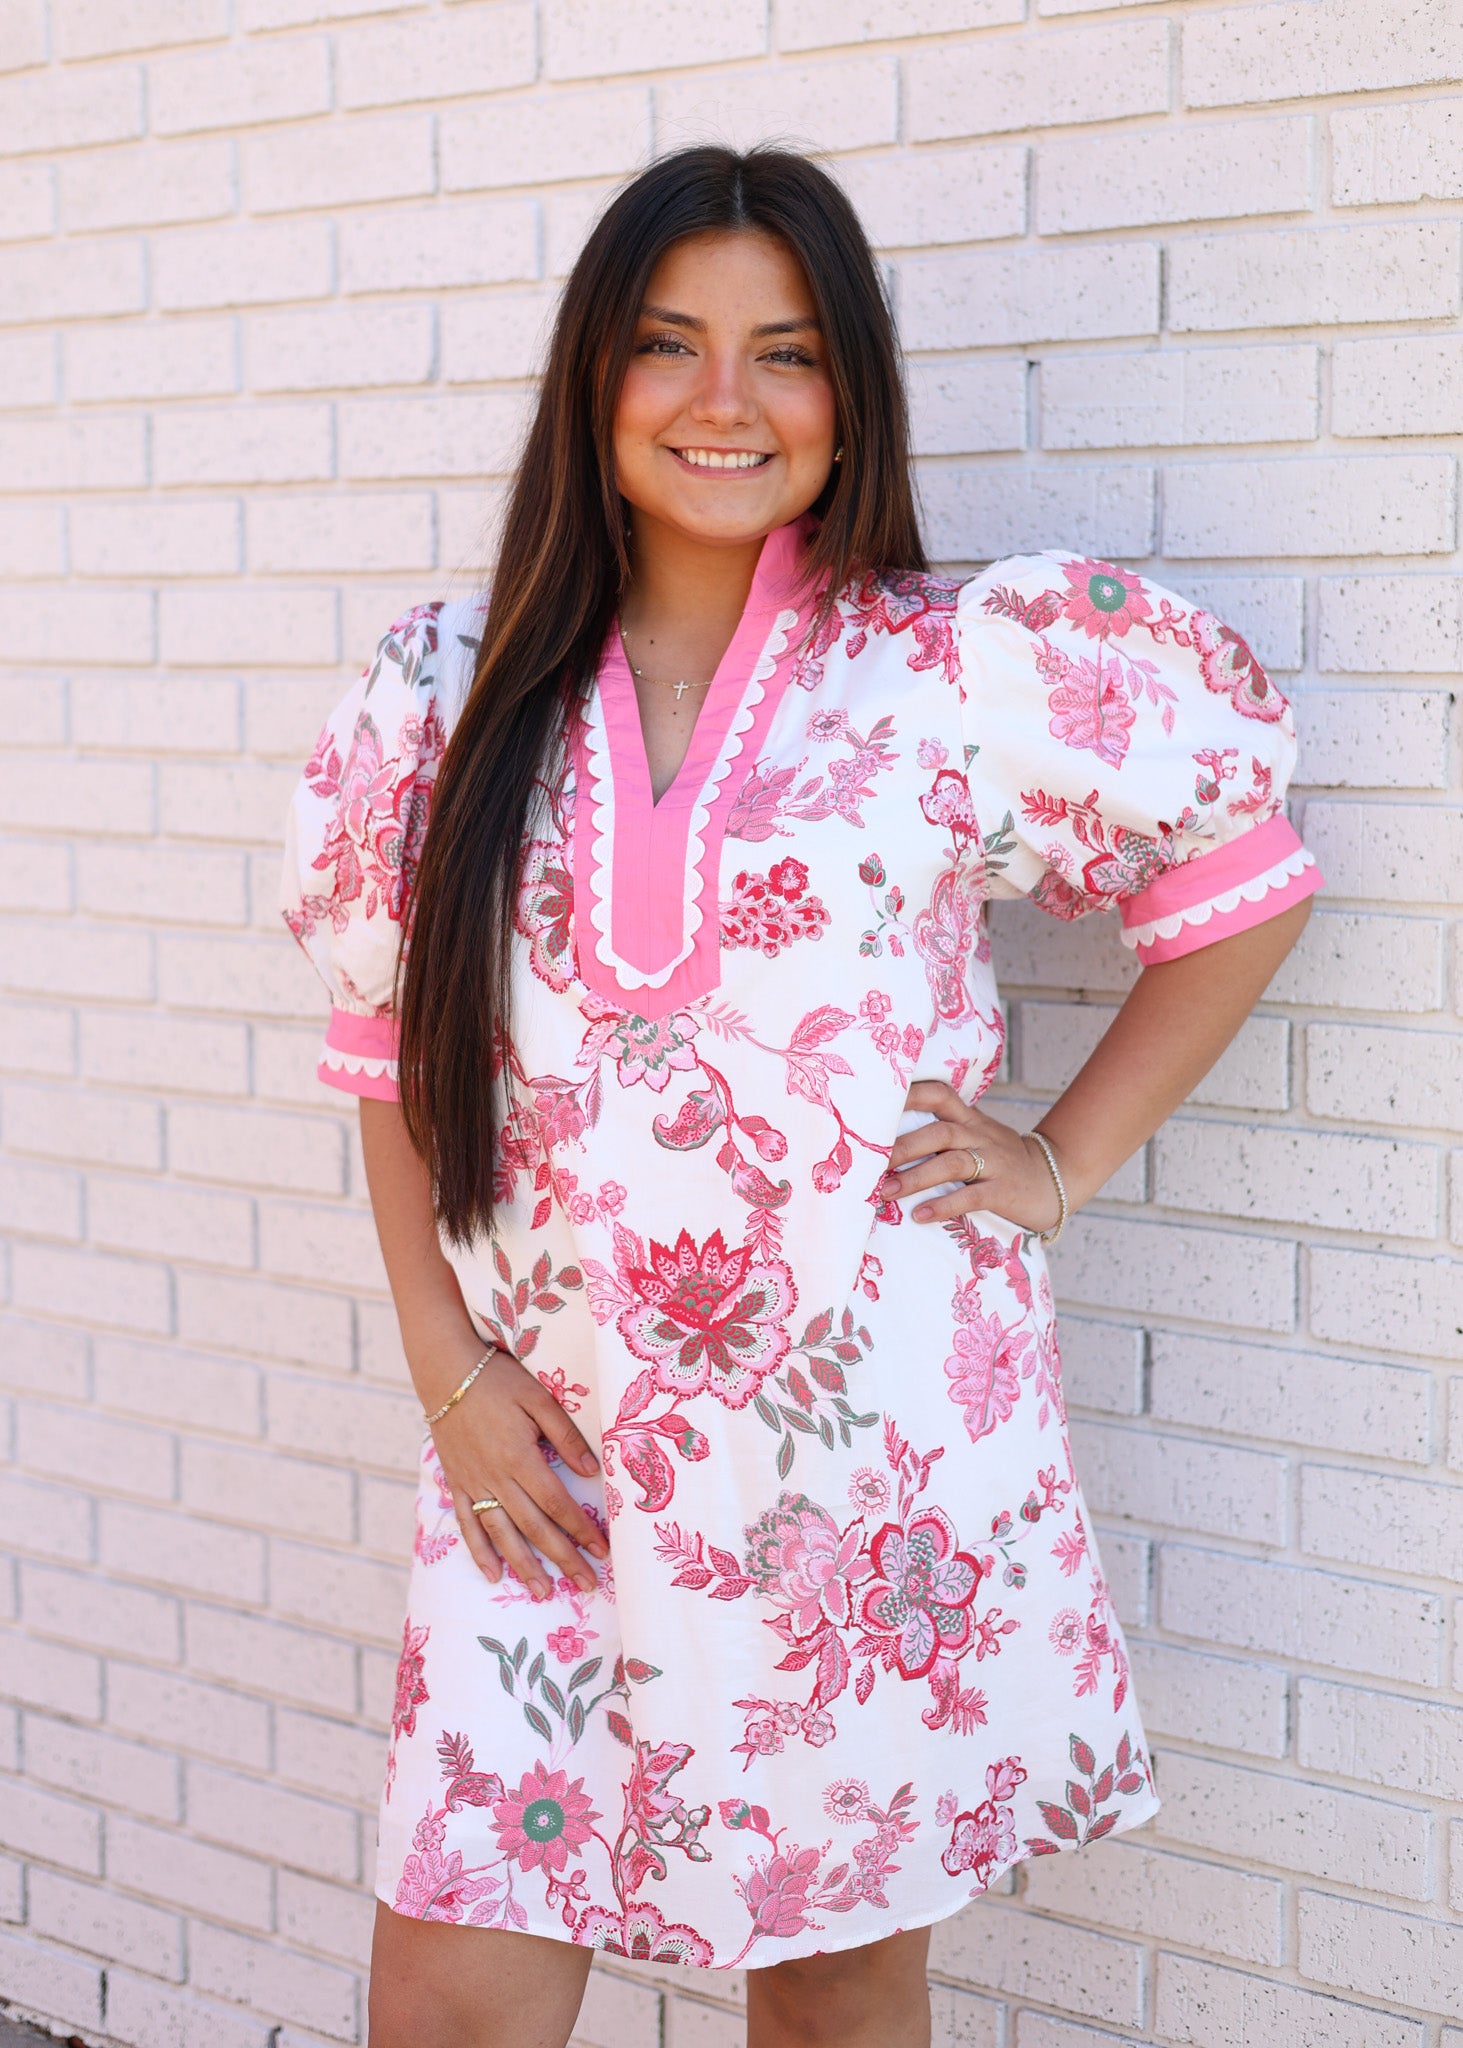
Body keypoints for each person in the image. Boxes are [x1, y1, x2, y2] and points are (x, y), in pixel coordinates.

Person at [280, 144, 1322, 2048]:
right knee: (450, 1979)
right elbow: (385, 1065)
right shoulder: (447, 694)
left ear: (851, 393)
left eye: (788, 352)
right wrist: (450, 1370)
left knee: (835, 1991)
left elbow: (1236, 885)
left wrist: (1062, 1157)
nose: (725, 403)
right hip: (554, 1475)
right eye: (671, 345)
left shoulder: (954, 676)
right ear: (597, 379)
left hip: (869, 1489)